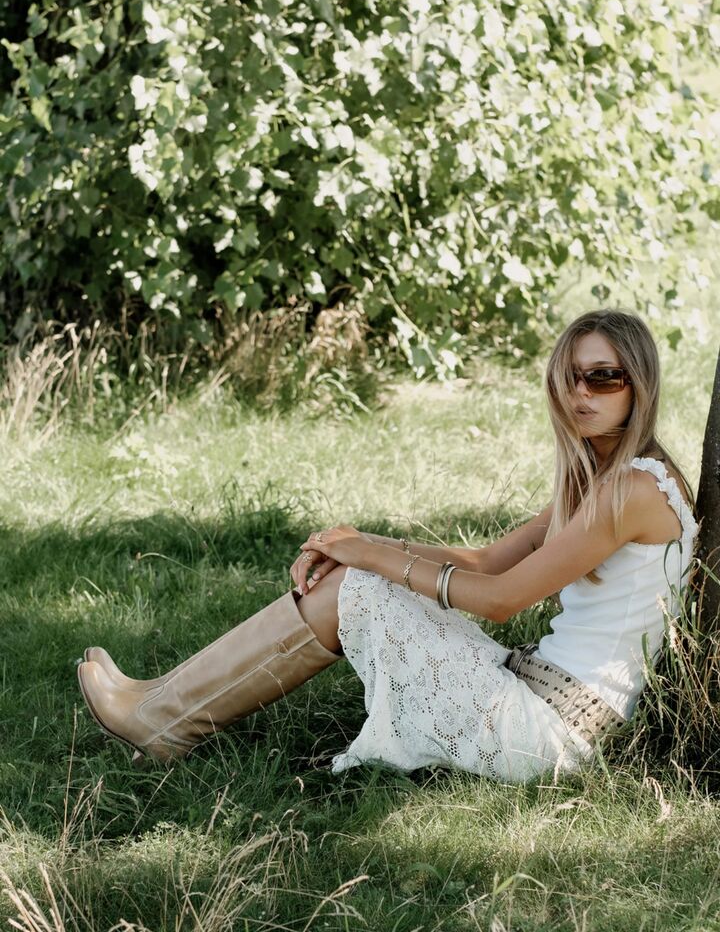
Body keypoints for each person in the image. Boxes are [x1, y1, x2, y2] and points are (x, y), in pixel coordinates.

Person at [78, 308, 698, 781]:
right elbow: (486, 561)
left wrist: (371, 558)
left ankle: (163, 721)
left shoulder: (633, 491)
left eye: (603, 377)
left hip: (551, 732)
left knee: (358, 585)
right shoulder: (610, 478)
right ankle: (161, 704)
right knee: (359, 576)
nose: (581, 393)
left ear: (638, 383)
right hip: (536, 690)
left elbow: (501, 598)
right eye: (569, 377)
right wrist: (356, 542)